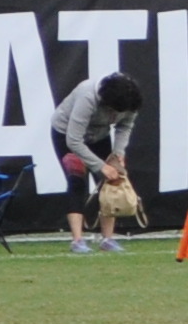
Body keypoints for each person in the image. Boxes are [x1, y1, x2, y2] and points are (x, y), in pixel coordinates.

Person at [50, 70, 145, 253]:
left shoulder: (130, 100)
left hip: (99, 134)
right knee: (77, 181)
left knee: (110, 182)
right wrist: (101, 166)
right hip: (67, 134)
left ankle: (107, 239)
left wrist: (117, 155)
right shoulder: (88, 96)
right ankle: (77, 240)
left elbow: (125, 126)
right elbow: (74, 140)